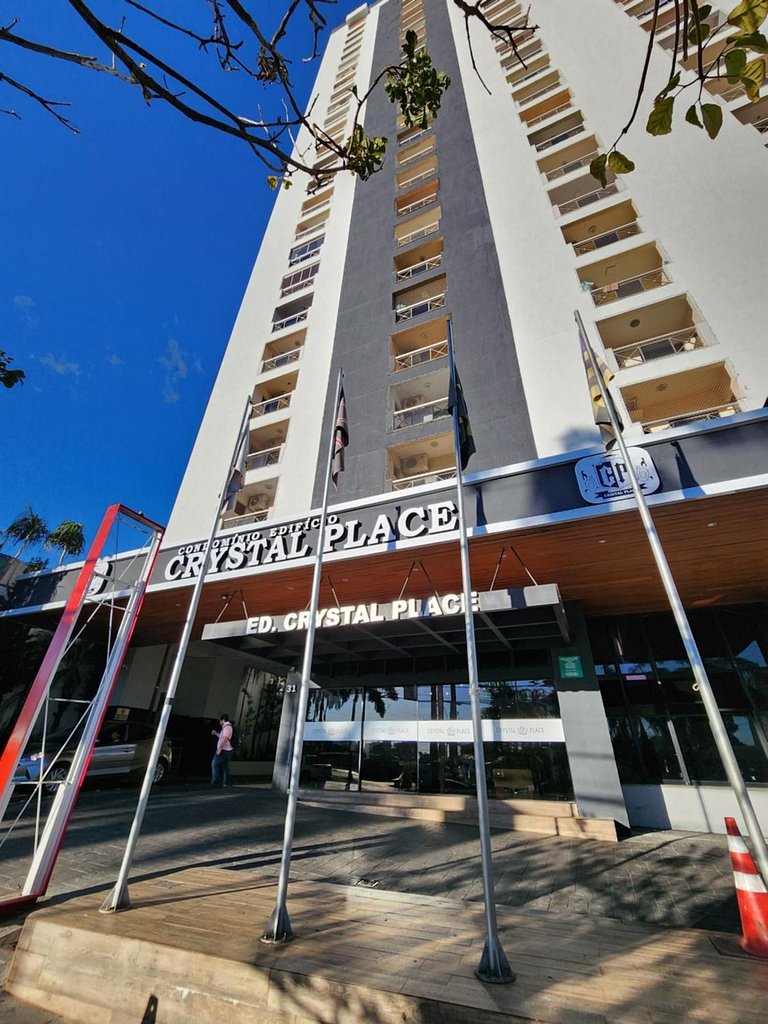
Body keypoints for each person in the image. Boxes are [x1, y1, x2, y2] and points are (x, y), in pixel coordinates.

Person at [211, 714, 234, 787]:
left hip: (224, 750)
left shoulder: (227, 728)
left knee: (215, 764)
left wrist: (219, 749)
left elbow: (224, 739)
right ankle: (225, 782)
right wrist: (216, 734)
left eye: (220, 721)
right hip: (226, 750)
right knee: (224, 766)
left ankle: (215, 781)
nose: (219, 722)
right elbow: (222, 737)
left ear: (223, 720)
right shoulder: (226, 727)